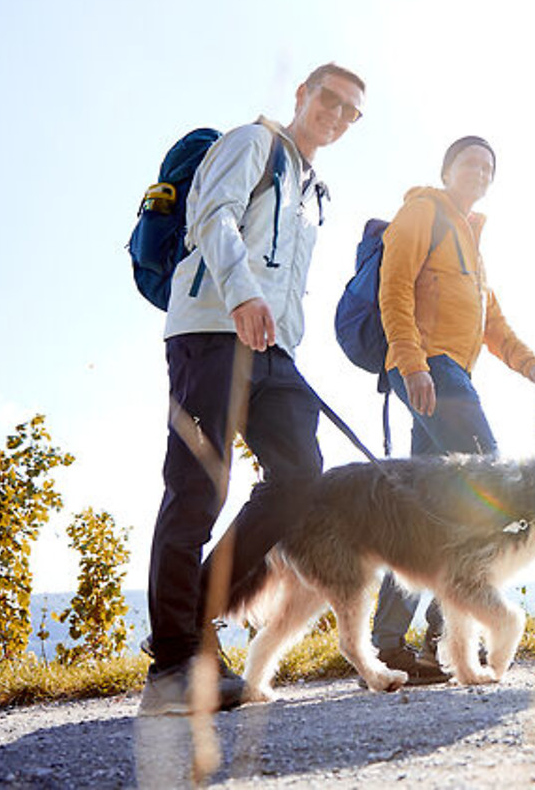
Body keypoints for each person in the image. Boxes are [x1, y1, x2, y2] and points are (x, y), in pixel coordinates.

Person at [141, 63, 366, 716]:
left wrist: (284, 342)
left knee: (300, 473)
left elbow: (289, 281)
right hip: (211, 328)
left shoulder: (311, 188)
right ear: (302, 95)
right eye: (331, 99)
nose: (339, 115)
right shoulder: (251, 142)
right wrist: (241, 293)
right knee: (198, 484)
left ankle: (195, 608)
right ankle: (177, 663)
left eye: (353, 111)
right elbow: (212, 215)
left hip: (273, 348)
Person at [370, 135, 535, 680]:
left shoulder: (473, 246)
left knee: (424, 508)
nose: (480, 172)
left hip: (448, 371)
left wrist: (530, 365)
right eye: (471, 162)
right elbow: (394, 287)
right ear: (448, 169)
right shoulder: (422, 212)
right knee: (490, 483)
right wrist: (411, 363)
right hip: (430, 368)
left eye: (488, 168)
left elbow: (493, 325)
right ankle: (448, 639)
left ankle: (389, 644)